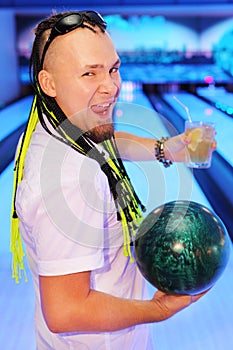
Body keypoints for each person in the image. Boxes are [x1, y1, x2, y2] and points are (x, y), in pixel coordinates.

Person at [11, 10, 215, 350]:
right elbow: (65, 311)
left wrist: (168, 148)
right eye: (89, 73)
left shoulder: (56, 125)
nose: (111, 86)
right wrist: (159, 309)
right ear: (49, 82)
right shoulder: (67, 179)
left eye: (113, 68)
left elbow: (103, 143)